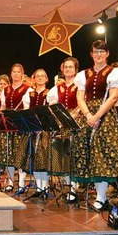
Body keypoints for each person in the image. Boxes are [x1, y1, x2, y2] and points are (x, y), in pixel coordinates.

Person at [73, 40, 118, 211]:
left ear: (107, 54)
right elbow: (80, 97)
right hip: (88, 115)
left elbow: (113, 97)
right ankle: (94, 194)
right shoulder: (83, 74)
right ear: (91, 54)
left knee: (102, 154)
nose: (99, 54)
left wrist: (97, 115)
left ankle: (101, 197)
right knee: (88, 153)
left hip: (105, 116)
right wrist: (88, 114)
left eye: (102, 51)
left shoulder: (114, 72)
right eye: (96, 51)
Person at [46, 57, 81, 202]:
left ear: (76, 70)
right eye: (65, 67)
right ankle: (68, 186)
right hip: (63, 122)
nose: (67, 69)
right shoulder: (56, 88)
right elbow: (53, 106)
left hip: (77, 121)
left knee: (74, 154)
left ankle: (74, 187)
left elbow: (82, 102)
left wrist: (75, 113)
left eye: (70, 67)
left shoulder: (80, 85)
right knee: (65, 154)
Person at [0, 63, 32, 192]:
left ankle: (21, 182)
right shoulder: (6, 90)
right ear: (11, 74)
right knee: (9, 154)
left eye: (18, 72)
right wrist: (2, 117)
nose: (16, 74)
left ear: (22, 74)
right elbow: (3, 107)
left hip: (21, 125)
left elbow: (28, 108)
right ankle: (10, 181)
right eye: (14, 72)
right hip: (8, 125)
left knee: (20, 153)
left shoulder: (28, 89)